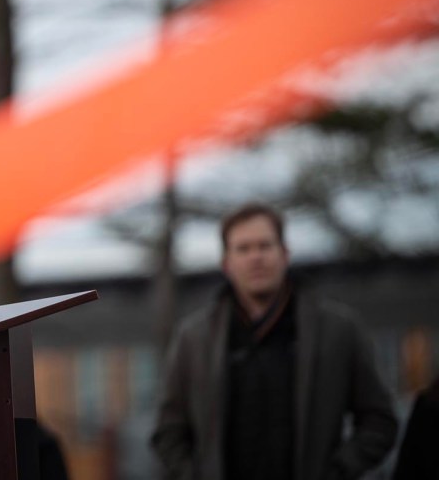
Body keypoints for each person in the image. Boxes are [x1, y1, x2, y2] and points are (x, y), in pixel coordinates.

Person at [150, 202, 398, 480]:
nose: (256, 257)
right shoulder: (194, 338)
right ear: (226, 263)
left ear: (285, 254)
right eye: (243, 248)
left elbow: (379, 420)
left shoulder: (338, 330)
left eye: (265, 246)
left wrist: (338, 471)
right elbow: (168, 431)